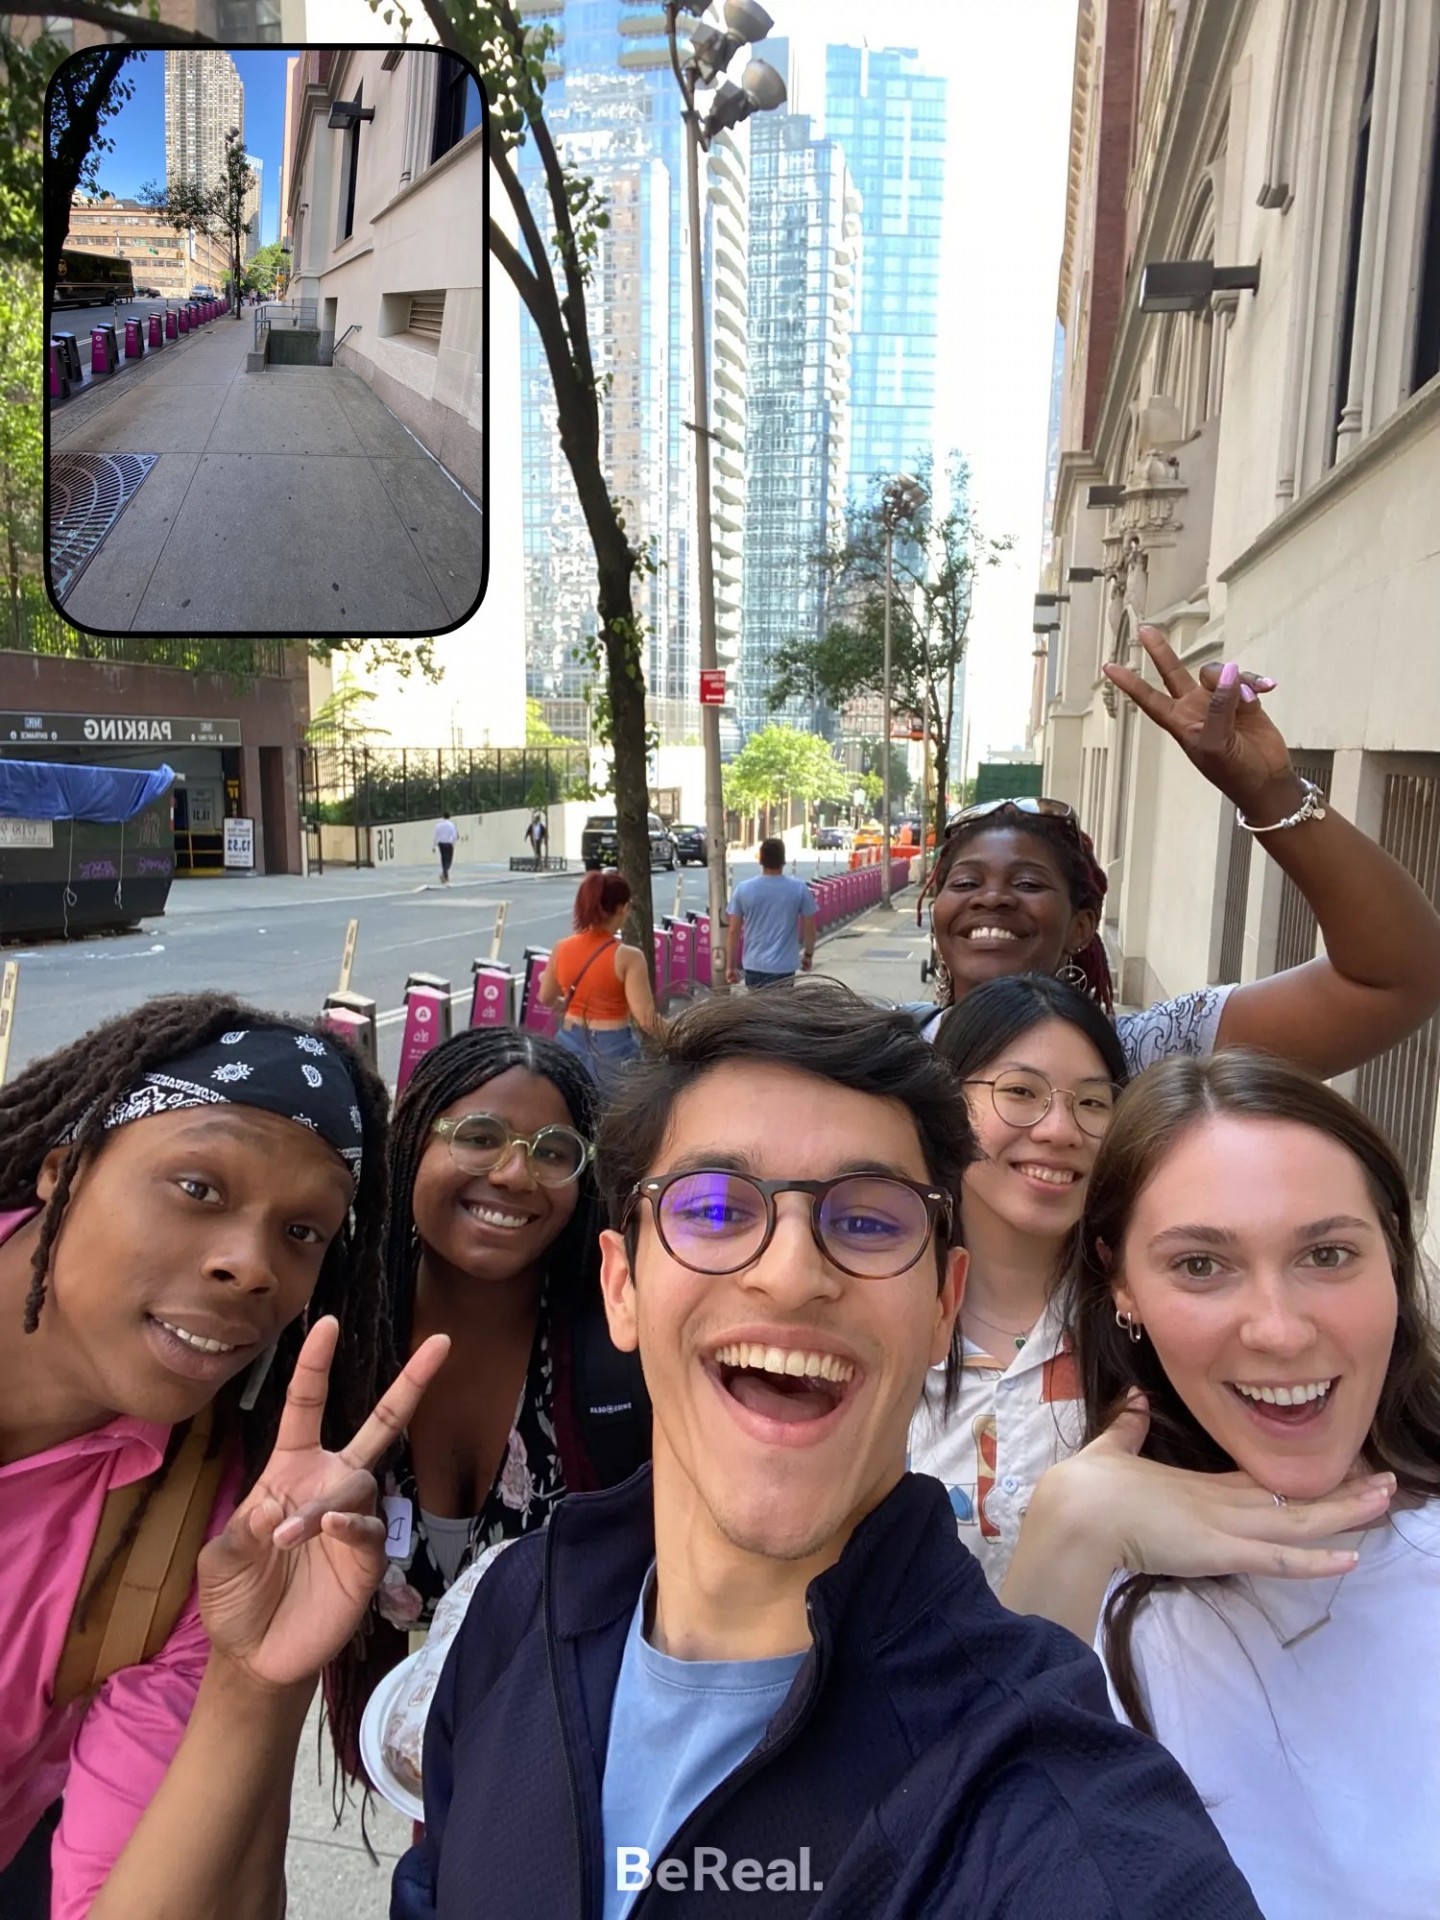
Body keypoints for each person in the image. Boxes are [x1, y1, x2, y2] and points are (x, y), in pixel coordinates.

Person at [82, 985, 1262, 1920]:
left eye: (866, 1219)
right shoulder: (510, 1621)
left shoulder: (1054, 1807)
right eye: (712, 1209)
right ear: (622, 1283)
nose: (791, 1269)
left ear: (943, 1298)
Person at [1001, 1051, 1440, 1918]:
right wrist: (1065, 1539)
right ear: (1120, 1282)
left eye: (1327, 1253)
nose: (1278, 1330)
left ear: (1392, 1247)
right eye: (1201, 1265)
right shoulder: (1079, 1592)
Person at [0, 994, 389, 1919]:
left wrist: (252, 1687)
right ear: (64, 1169)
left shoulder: (198, 1541)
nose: (251, 1266)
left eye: (302, 1234)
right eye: (199, 1187)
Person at [324, 1027, 649, 1777]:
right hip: (397, 1751)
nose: (513, 1174)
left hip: (568, 1758)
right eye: (479, 1136)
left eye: (554, 1151)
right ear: (414, 1141)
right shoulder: (336, 1340)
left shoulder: (617, 1359)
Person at [917, 625, 1440, 1079]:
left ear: (1081, 927)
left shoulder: (1148, 1054)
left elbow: (1396, 980)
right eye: (964, 883)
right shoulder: (881, 1052)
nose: (992, 898)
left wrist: (1270, 792)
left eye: (1028, 883)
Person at [907, 973, 1128, 1587]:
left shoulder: (1148, 1328)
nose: (1059, 1130)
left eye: (1091, 1102)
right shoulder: (882, 1314)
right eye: (1021, 1092)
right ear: (947, 1104)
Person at [539, 870, 659, 1097]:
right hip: (614, 1048)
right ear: (622, 909)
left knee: (573, 1112)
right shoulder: (628, 957)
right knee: (615, 1122)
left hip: (569, 1041)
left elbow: (545, 997)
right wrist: (682, 1036)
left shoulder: (562, 948)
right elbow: (647, 1020)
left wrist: (565, 1001)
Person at [725, 836, 818, 988]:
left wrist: (730, 966)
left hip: (754, 965)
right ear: (783, 860)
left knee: (758, 1010)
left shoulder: (744, 889)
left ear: (761, 860)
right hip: (784, 967)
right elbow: (810, 929)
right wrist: (808, 955)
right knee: (780, 1011)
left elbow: (733, 931)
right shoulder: (799, 889)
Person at [433, 812, 458, 885]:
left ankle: (445, 874)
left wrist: (434, 845)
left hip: (441, 844)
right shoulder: (451, 825)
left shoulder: (438, 825)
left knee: (443, 859)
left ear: (443, 816)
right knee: (449, 860)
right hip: (448, 843)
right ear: (449, 817)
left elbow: (436, 835)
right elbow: (454, 835)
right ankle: (444, 873)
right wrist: (453, 843)